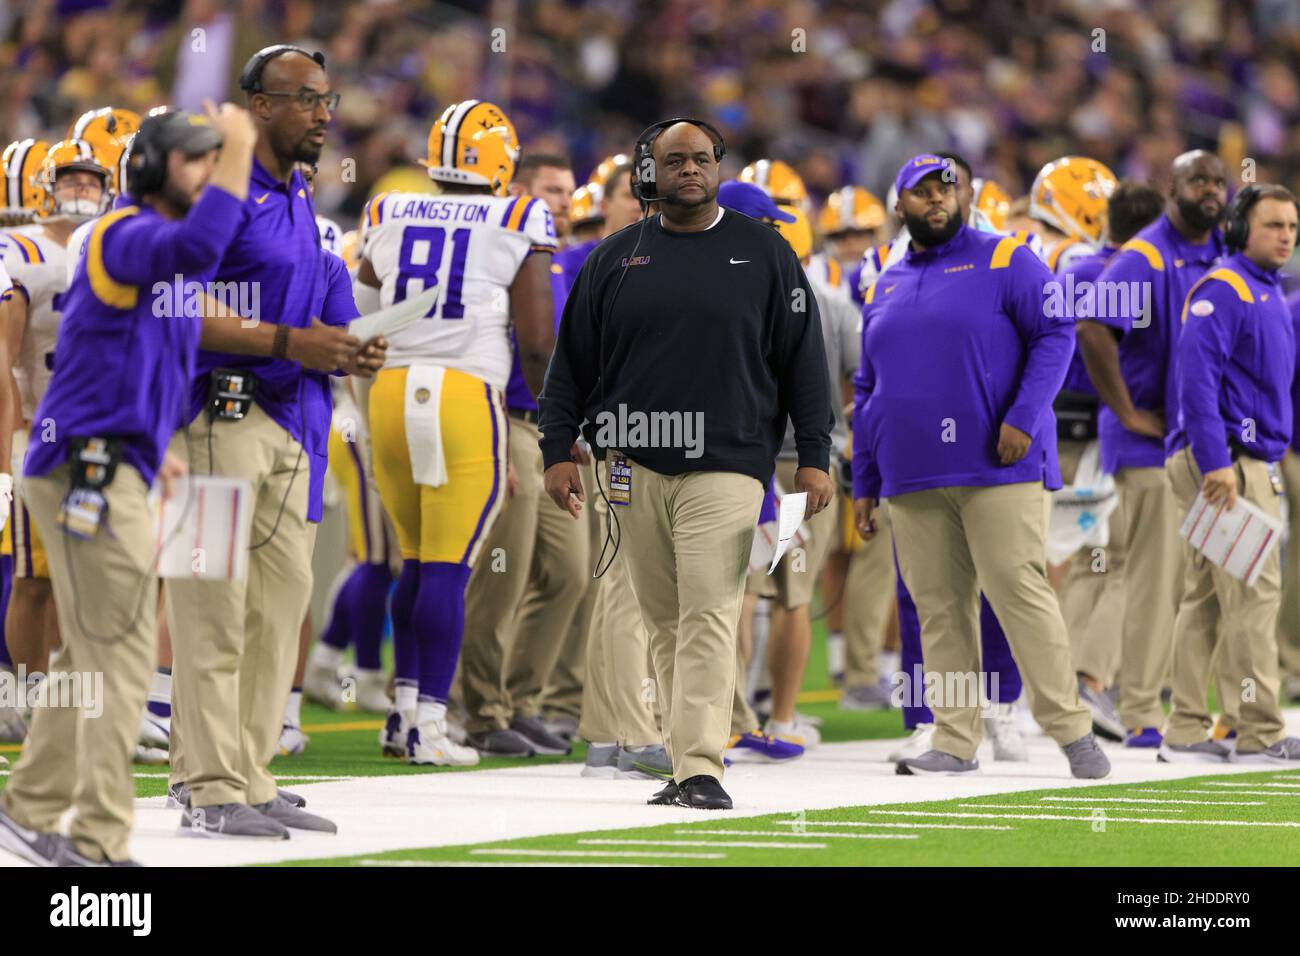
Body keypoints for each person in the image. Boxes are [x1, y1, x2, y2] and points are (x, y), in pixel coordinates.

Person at [0, 105, 369, 866]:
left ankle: (30, 807)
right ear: (152, 169)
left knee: (99, 654)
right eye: (197, 161)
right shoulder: (128, 234)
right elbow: (204, 240)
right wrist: (239, 146)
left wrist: (156, 438)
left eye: (216, 161)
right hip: (83, 464)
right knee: (121, 656)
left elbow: (162, 346)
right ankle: (95, 838)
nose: (212, 175)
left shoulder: (164, 257)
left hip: (116, 455)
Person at [539, 119, 835, 810]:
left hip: (728, 462)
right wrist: (558, 450)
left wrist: (814, 458)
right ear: (649, 171)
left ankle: (702, 765)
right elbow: (569, 369)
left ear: (718, 168)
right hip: (630, 464)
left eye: (703, 159)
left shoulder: (765, 253)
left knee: (709, 609)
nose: (691, 171)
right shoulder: (613, 259)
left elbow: (805, 364)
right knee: (665, 618)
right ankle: (684, 759)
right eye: (676, 161)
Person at [165, 46, 384, 838]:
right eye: (307, 100)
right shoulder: (209, 195)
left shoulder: (297, 191)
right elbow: (175, 311)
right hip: (209, 418)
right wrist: (294, 343)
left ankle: (247, 772)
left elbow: (322, 310)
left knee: (275, 613)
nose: (326, 114)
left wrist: (351, 344)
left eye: (329, 99)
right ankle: (204, 781)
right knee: (210, 613)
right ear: (257, 105)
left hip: (297, 425)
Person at [852, 153, 1109, 779]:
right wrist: (864, 480)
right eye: (921, 192)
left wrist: (1023, 417)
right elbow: (867, 387)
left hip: (998, 463)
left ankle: (1071, 730)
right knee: (938, 607)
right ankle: (954, 738)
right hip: (911, 475)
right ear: (899, 206)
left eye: (948, 188)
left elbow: (1057, 332)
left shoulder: (1006, 257)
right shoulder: (886, 277)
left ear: (964, 195)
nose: (937, 200)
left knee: (1018, 590)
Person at [358, 99, 557, 767]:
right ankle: (432, 728)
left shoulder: (388, 209)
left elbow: (364, 301)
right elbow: (535, 339)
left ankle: (405, 710)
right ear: (502, 158)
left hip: (389, 389)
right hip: (463, 393)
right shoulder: (519, 214)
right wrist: (559, 413)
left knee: (414, 559)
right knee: (448, 565)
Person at [1077, 150, 1228, 747]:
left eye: (1219, 181)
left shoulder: (1216, 252)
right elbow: (1092, 326)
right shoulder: (1144, 255)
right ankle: (1138, 706)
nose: (1211, 190)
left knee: (1201, 581)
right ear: (1174, 188)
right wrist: (1124, 409)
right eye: (1199, 180)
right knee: (1154, 578)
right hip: (1149, 444)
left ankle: (1176, 702)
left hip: (1202, 443)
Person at [1161, 184, 1300, 765]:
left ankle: (1189, 728)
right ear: (1241, 231)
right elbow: (1196, 382)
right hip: (1225, 463)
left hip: (1243, 462)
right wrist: (1218, 463)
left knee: (1208, 600)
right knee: (1254, 594)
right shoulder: (1224, 290)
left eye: (1293, 226)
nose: (1286, 236)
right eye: (1273, 226)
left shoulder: (1265, 291)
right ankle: (1262, 731)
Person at [456, 152, 582, 758]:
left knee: (567, 571)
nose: (563, 200)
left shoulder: (553, 260)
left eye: (568, 190)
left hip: (550, 431)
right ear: (518, 191)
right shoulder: (502, 250)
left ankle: (521, 699)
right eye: (552, 190)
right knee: (499, 575)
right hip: (505, 421)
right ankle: (478, 708)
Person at [1052, 180, 1164, 743]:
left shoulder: (1073, 272)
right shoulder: (1133, 275)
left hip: (1061, 431)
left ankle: (1061, 682)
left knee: (1082, 559)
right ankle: (1091, 678)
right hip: (1107, 432)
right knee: (1122, 561)